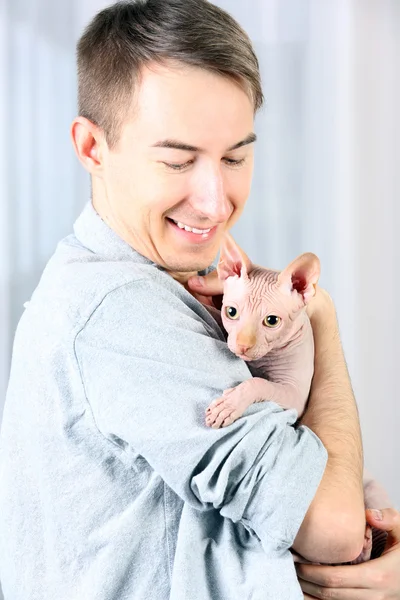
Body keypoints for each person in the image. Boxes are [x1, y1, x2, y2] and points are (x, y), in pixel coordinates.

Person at [0, 0, 398, 598]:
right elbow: (335, 529)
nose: (217, 203)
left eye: (236, 156)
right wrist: (322, 319)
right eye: (178, 160)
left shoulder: (165, 285)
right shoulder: (120, 309)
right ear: (91, 147)